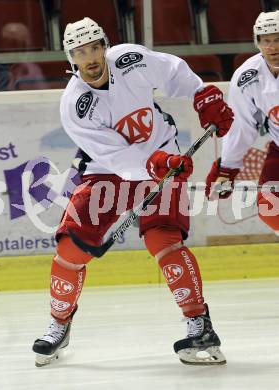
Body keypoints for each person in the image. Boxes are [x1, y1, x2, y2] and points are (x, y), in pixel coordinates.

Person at [32, 17, 234, 367]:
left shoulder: (130, 60)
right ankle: (59, 324)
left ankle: (198, 323)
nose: (91, 57)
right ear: (71, 58)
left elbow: (174, 73)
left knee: (163, 238)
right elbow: (119, 157)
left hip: (163, 154)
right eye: (80, 52)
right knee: (70, 247)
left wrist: (202, 94)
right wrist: (158, 162)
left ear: (105, 46)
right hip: (106, 171)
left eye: (95, 47)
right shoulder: (74, 105)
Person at [205, 10, 279, 234]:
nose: (273, 47)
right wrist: (227, 169)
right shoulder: (248, 76)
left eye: (278, 40)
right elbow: (242, 125)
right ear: (257, 42)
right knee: (270, 209)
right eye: (266, 41)